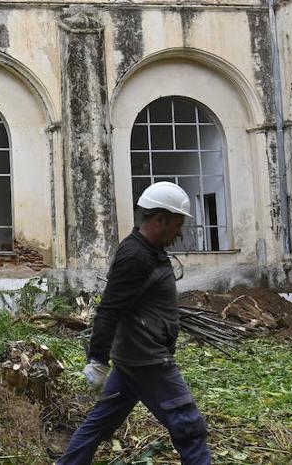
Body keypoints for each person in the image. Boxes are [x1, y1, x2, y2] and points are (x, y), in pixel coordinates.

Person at [56, 181, 211, 465]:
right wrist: (98, 358)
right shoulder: (135, 256)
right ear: (160, 220)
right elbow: (111, 307)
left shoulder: (146, 250)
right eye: (177, 225)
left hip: (133, 360)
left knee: (100, 424)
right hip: (148, 359)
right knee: (190, 427)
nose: (180, 232)